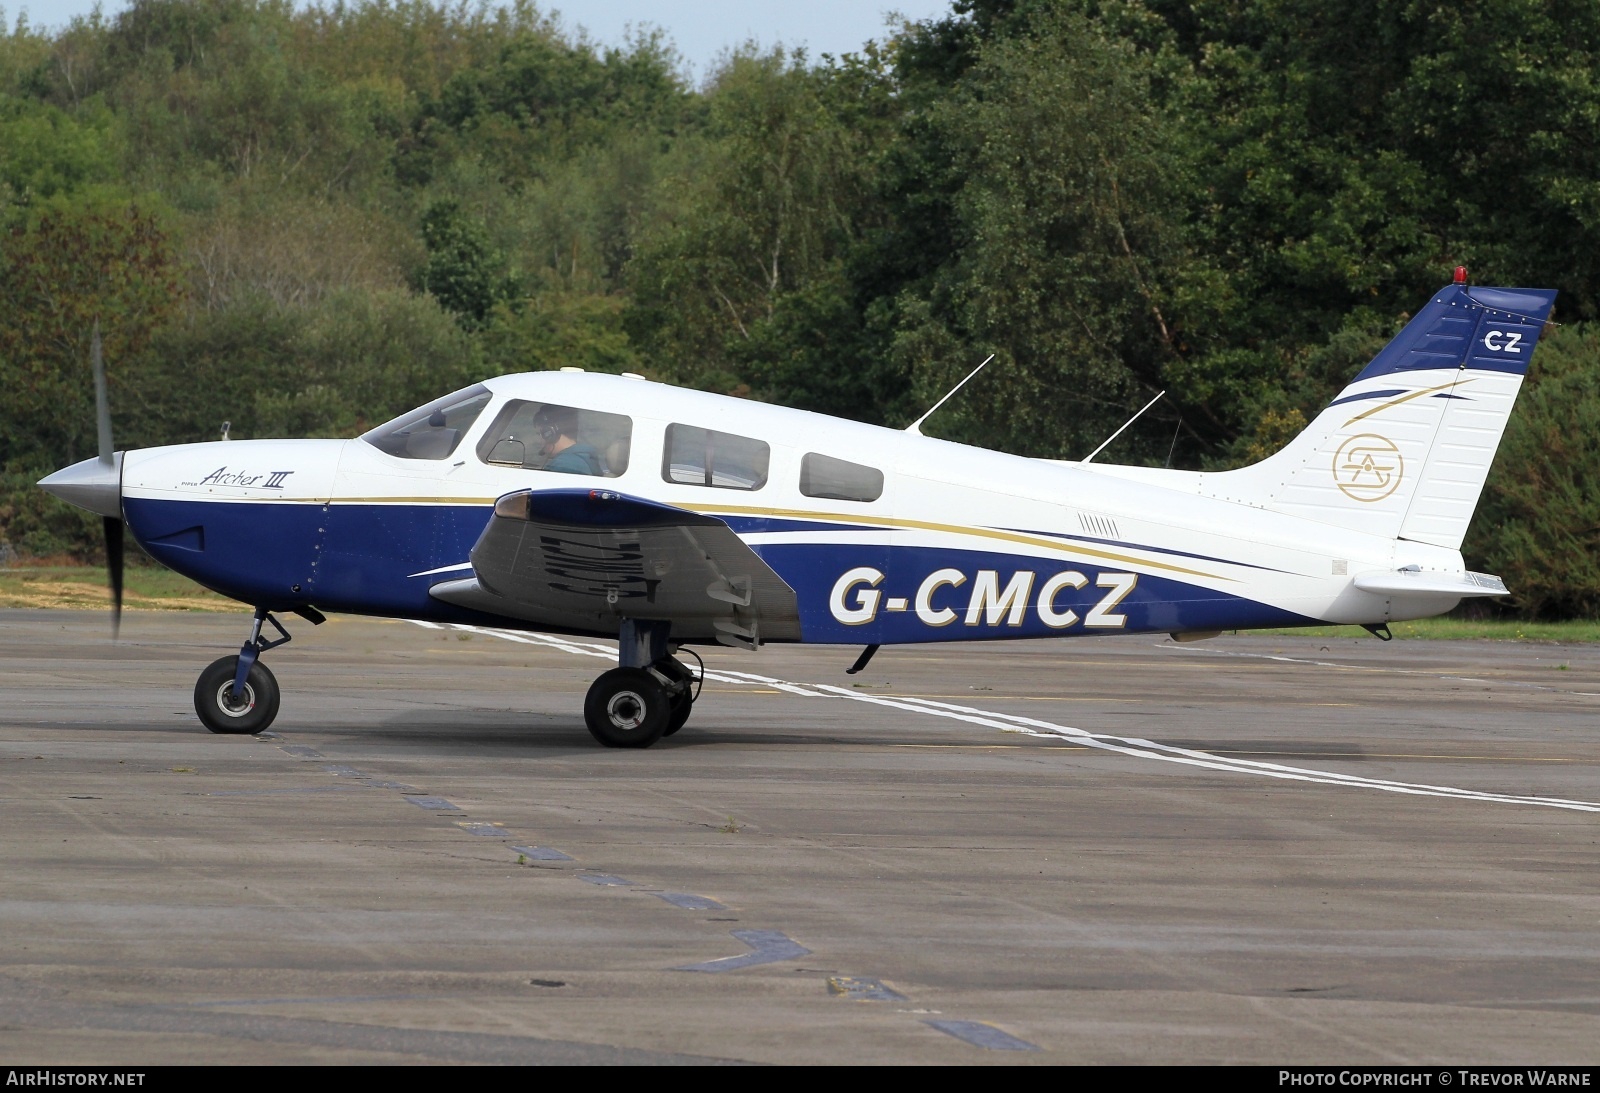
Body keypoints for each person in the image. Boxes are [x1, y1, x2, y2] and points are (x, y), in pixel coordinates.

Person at [533, 405, 606, 475]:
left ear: (551, 433)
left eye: (540, 434)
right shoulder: (582, 458)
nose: (539, 440)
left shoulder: (563, 465)